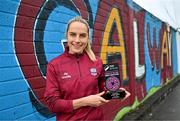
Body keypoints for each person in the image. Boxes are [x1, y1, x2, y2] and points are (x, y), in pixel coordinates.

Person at [44, 16, 130, 121]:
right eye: (73, 34)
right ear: (67, 35)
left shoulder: (96, 62)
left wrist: (116, 93)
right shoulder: (54, 65)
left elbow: (104, 91)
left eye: (82, 36)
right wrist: (85, 101)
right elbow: (53, 104)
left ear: (87, 38)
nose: (77, 40)